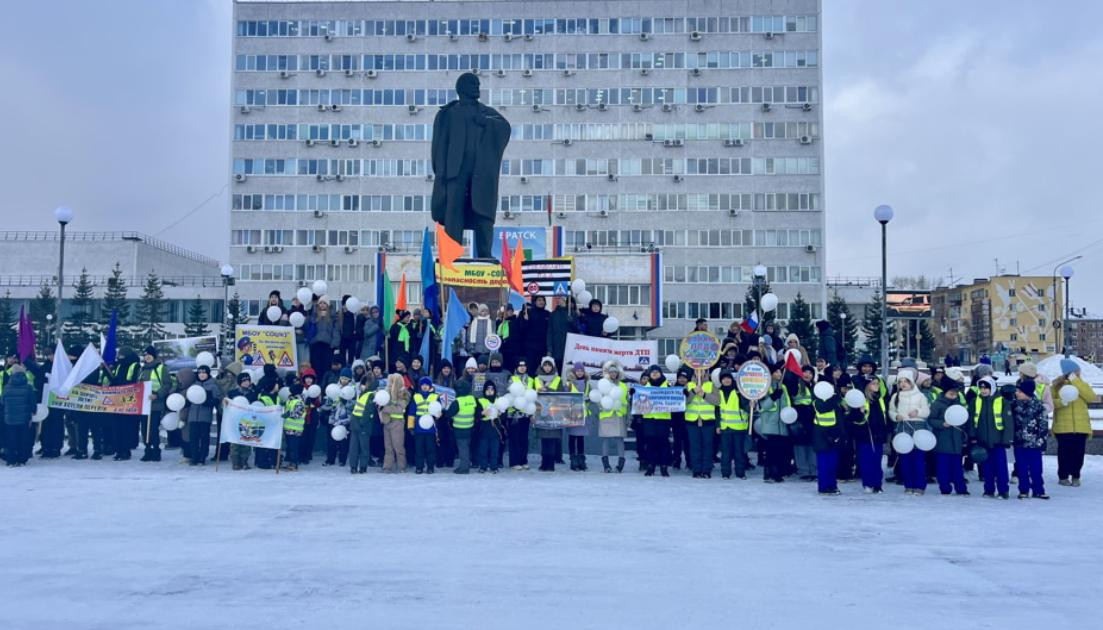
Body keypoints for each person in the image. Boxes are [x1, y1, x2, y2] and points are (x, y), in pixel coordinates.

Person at [888, 369, 930, 495]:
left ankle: (920, 486)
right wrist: (896, 416)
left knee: (918, 458)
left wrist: (918, 412)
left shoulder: (921, 396)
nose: (903, 384)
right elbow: (891, 410)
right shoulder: (896, 396)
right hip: (902, 427)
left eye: (905, 381)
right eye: (900, 382)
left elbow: (927, 411)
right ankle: (908, 484)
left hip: (918, 427)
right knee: (905, 458)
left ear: (911, 382)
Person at [971, 377, 1013, 499]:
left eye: (986, 388)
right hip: (982, 440)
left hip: (998, 440)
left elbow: (1008, 422)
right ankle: (988, 490)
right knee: (986, 467)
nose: (983, 390)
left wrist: (1006, 439)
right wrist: (973, 436)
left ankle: (1003, 490)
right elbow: (972, 420)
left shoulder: (1002, 401)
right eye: (981, 388)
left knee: (1000, 467)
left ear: (992, 388)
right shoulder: (976, 401)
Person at [1052, 359, 1092, 487]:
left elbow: (1091, 397)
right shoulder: (1056, 385)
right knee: (1064, 454)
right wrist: (1061, 402)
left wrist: (1076, 382)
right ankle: (1063, 476)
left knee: (1078, 454)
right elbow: (1050, 402)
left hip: (1081, 426)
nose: (1079, 372)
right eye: (1076, 370)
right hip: (1063, 427)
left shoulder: (1081, 384)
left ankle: (1076, 476)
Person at [929, 374, 969, 496]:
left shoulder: (958, 405)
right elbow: (931, 419)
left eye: (955, 394)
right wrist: (941, 424)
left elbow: (964, 419)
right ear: (945, 392)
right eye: (951, 394)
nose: (953, 396)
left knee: (957, 467)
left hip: (956, 442)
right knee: (943, 467)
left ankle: (961, 488)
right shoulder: (938, 404)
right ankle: (945, 487)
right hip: (942, 441)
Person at [1012, 379, 1049, 499]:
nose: (1016, 393)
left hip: (1034, 444)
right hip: (1019, 443)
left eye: (1019, 391)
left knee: (1036, 469)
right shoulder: (1014, 405)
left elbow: (1043, 426)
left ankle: (1038, 490)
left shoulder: (1039, 406)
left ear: (1027, 392)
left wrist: (1041, 443)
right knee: (1021, 468)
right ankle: (1023, 490)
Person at [754, 367, 790, 483]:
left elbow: (787, 404)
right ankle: (771, 473)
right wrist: (774, 396)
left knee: (779, 450)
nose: (779, 374)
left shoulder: (783, 387)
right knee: (771, 450)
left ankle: (774, 473)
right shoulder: (765, 387)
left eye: (780, 371)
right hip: (770, 424)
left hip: (781, 424)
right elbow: (763, 406)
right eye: (776, 371)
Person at [637, 364, 672, 477]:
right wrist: (634, 394)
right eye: (653, 372)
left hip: (663, 419)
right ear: (650, 374)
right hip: (649, 419)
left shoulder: (668, 386)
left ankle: (664, 466)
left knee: (663, 443)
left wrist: (682, 395)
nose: (655, 374)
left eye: (657, 372)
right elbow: (638, 402)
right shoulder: (644, 387)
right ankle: (651, 465)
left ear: (661, 373)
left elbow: (676, 399)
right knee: (650, 443)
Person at [684, 368, 719, 478]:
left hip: (707, 420)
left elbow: (718, 401)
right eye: (697, 370)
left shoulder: (711, 385)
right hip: (692, 420)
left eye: (702, 370)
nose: (700, 372)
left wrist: (704, 395)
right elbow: (683, 401)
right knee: (695, 447)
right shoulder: (688, 385)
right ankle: (696, 470)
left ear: (706, 372)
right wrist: (693, 392)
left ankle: (707, 470)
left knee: (708, 446)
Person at [811, 381, 845, 495]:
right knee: (824, 464)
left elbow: (840, 419)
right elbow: (823, 408)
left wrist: (839, 434)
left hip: (834, 436)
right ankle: (824, 486)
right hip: (822, 437)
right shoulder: (817, 401)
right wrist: (834, 399)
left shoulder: (836, 401)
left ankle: (832, 485)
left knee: (833, 464)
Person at [596, 361, 629, 473]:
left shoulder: (624, 386)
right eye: (611, 372)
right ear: (608, 373)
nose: (613, 374)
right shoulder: (603, 384)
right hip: (606, 415)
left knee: (620, 439)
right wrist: (602, 406)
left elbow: (626, 401)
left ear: (618, 373)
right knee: (606, 439)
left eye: (615, 372)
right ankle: (606, 465)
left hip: (619, 414)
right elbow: (598, 399)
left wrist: (627, 415)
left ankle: (620, 464)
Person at [784, 365, 817, 481]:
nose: (807, 375)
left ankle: (813, 470)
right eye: (805, 372)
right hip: (799, 418)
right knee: (800, 446)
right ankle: (803, 470)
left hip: (813, 419)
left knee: (812, 446)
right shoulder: (796, 385)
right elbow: (791, 388)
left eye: (810, 373)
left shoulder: (815, 386)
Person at [715, 371, 750, 480]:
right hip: (725, 428)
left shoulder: (739, 392)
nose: (726, 380)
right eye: (724, 379)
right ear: (721, 381)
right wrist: (717, 425)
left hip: (739, 428)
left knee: (739, 453)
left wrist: (751, 404)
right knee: (726, 454)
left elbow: (746, 408)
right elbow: (717, 411)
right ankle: (725, 473)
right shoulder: (718, 393)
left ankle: (741, 473)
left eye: (728, 378)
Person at [137, 346, 169, 462]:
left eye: (149, 355)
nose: (147, 357)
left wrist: (157, 395)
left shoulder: (161, 368)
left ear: (153, 356)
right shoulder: (142, 369)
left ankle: (156, 451)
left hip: (156, 404)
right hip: (144, 404)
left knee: (153, 429)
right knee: (144, 428)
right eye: (145, 355)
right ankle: (147, 450)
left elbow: (167, 385)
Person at [533, 357, 565, 471]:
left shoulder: (558, 379)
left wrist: (549, 390)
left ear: (553, 367)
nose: (547, 367)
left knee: (552, 439)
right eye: (545, 365)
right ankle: (544, 463)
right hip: (541, 414)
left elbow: (562, 395)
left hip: (554, 414)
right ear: (542, 367)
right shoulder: (536, 379)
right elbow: (532, 394)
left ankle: (550, 464)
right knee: (544, 440)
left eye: (549, 365)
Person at [186, 365, 222, 466]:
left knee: (204, 437)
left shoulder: (212, 386)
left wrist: (208, 402)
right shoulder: (193, 386)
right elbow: (188, 399)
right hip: (193, 416)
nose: (202, 375)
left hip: (205, 416)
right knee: (193, 438)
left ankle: (202, 457)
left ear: (208, 373)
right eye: (200, 373)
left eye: (204, 372)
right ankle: (194, 457)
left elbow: (217, 399)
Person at [2, 365, 36, 467]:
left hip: (10, 418)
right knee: (23, 438)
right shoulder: (28, 387)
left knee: (11, 439)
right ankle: (22, 459)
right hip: (24, 418)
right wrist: (33, 412)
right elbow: (32, 402)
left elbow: (2, 402)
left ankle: (11, 459)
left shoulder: (7, 387)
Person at [505, 359, 536, 470]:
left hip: (526, 414)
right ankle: (514, 462)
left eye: (524, 365)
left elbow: (532, 398)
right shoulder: (511, 379)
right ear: (516, 367)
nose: (522, 367)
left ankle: (524, 461)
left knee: (524, 439)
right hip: (513, 414)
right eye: (520, 365)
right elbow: (508, 394)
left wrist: (532, 414)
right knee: (514, 439)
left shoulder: (531, 380)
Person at [379, 374, 411, 473]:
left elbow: (399, 409)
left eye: (393, 381)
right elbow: (381, 404)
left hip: (398, 423)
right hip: (387, 422)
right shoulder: (386, 393)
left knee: (398, 446)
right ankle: (387, 466)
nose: (391, 384)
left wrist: (385, 408)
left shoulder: (404, 394)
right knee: (388, 446)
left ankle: (402, 466)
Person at [322, 369, 354, 467]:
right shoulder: (334, 388)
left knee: (343, 442)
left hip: (345, 420)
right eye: (342, 378)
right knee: (331, 441)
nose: (344, 380)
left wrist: (347, 403)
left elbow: (354, 405)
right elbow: (327, 404)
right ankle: (330, 459)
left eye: (346, 379)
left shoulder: (352, 389)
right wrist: (326, 406)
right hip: (333, 419)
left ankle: (342, 459)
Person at [226, 372, 257, 470]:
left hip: (247, 420)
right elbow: (226, 405)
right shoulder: (232, 393)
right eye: (244, 381)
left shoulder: (252, 393)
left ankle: (244, 462)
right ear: (240, 382)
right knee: (235, 442)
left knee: (246, 442)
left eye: (248, 380)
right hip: (234, 420)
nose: (246, 383)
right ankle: (235, 462)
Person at [409, 377, 439, 474]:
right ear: (420, 386)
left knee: (431, 449)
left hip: (431, 429)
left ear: (430, 386)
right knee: (419, 450)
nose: (425, 386)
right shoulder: (416, 396)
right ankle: (419, 467)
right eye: (423, 384)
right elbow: (411, 413)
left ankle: (430, 467)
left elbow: (439, 410)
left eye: (427, 385)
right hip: (418, 429)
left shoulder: (435, 396)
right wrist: (410, 426)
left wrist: (438, 415)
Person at [447, 380, 477, 474]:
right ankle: (469, 463)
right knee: (468, 447)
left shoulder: (457, 401)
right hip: (470, 427)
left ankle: (464, 468)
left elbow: (449, 414)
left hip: (460, 428)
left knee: (463, 448)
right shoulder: (472, 399)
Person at [565, 362, 591, 471]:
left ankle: (581, 460)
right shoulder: (569, 383)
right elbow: (565, 398)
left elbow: (591, 397)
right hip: (572, 414)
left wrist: (588, 399)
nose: (579, 372)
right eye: (578, 371)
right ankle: (573, 460)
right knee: (572, 437)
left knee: (581, 437)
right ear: (574, 372)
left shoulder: (588, 384)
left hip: (583, 414)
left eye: (581, 371)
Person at [476, 381, 504, 473]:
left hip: (495, 428)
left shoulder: (499, 400)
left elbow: (505, 415)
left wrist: (500, 414)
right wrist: (482, 413)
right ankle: (483, 466)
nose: (490, 391)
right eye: (487, 389)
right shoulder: (480, 400)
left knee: (494, 450)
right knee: (483, 449)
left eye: (492, 389)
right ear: (484, 391)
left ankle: (494, 466)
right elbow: (476, 414)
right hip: (484, 428)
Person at [253, 377, 281, 469]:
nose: (277, 385)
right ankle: (262, 461)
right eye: (275, 384)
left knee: (273, 443)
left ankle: (273, 460)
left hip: (275, 424)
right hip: (265, 424)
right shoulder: (263, 398)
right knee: (262, 443)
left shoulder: (277, 396)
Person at [307, 298, 339, 374]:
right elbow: (309, 328)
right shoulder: (313, 316)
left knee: (326, 366)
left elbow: (336, 330)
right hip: (315, 344)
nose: (322, 305)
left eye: (324, 303)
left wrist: (334, 343)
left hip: (328, 344)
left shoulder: (332, 317)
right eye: (320, 303)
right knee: (315, 365)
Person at [522, 296, 551, 371]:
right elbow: (523, 329)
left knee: (542, 369)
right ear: (535, 302)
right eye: (539, 300)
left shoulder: (548, 314)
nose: (541, 302)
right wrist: (525, 320)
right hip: (531, 347)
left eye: (543, 300)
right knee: (531, 368)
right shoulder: (529, 313)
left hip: (543, 347)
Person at [281, 384, 306, 471]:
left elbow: (298, 414)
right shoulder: (290, 400)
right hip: (288, 428)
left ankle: (294, 463)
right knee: (290, 446)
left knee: (294, 447)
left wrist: (288, 414)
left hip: (295, 429)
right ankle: (291, 462)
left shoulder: (299, 401)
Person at [670, 368, 691, 470]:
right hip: (676, 421)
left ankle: (689, 461)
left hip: (688, 420)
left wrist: (688, 395)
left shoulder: (690, 388)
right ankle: (676, 460)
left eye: (684, 378)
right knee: (677, 443)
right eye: (680, 378)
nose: (682, 380)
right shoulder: (673, 389)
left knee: (688, 443)